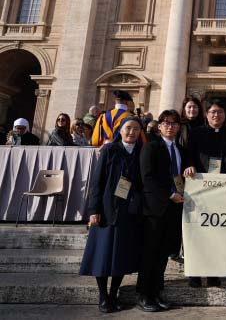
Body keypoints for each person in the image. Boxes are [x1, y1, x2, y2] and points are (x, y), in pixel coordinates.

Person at [79, 117, 144, 313]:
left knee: (120, 256)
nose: (131, 132)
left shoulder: (141, 152)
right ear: (120, 130)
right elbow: (97, 182)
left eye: (136, 129)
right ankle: (103, 296)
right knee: (103, 254)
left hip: (129, 211)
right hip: (107, 209)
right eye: (128, 128)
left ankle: (114, 294)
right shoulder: (109, 150)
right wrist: (93, 210)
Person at [137, 110, 191, 312]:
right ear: (159, 126)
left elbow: (184, 172)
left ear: (179, 127)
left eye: (174, 123)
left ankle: (156, 292)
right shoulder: (151, 147)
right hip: (155, 208)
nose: (170, 126)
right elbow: (147, 177)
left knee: (162, 254)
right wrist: (170, 194)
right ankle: (144, 295)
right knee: (150, 253)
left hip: (173, 209)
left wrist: (191, 169)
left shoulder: (181, 149)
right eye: (166, 123)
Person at [186, 99, 226, 288]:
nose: (216, 115)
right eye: (213, 112)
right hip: (199, 187)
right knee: (197, 232)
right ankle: (194, 273)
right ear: (207, 115)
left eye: (220, 112)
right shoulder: (196, 133)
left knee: (218, 233)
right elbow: (188, 154)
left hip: (222, 190)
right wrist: (189, 165)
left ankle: (214, 274)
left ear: (225, 115)